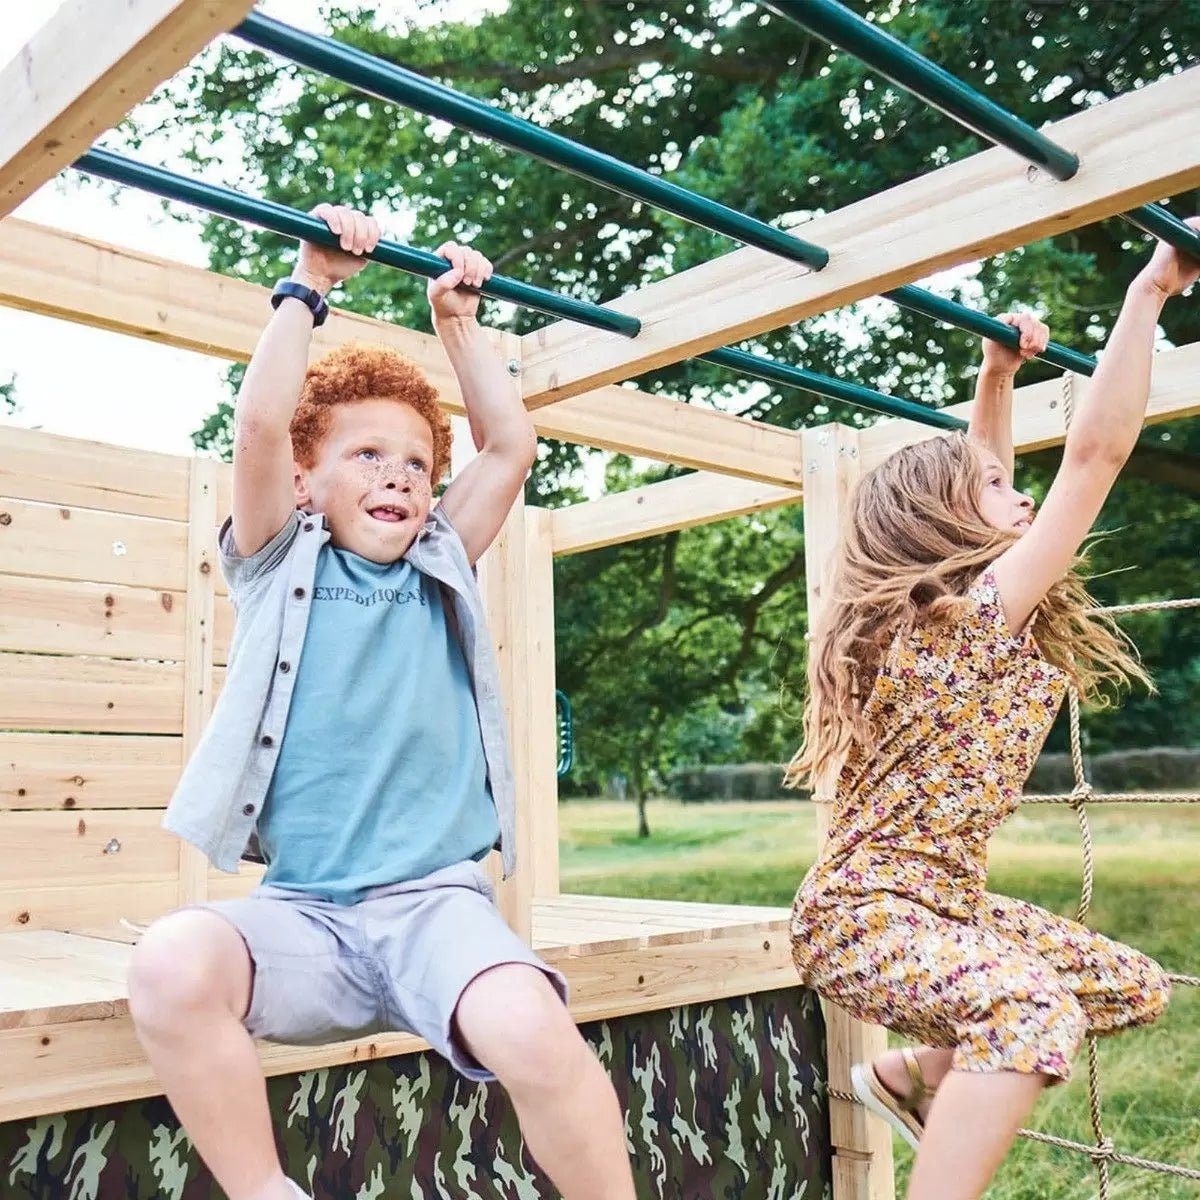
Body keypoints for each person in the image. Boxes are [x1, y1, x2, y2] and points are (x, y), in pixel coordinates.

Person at [127, 204, 636, 1200]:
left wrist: (458, 325)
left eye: (414, 464)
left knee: (535, 1027)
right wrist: (309, 282)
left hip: (434, 908)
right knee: (171, 963)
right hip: (304, 917)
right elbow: (262, 421)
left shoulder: (443, 558)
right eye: (367, 456)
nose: (398, 477)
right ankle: (265, 1189)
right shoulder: (279, 558)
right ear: (307, 481)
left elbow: (509, 449)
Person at [786, 220, 1199, 1200]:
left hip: (943, 904)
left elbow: (978, 478)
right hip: (866, 915)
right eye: (999, 490)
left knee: (1126, 986)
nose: (1019, 497)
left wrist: (996, 379)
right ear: (946, 526)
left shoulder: (963, 618)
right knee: (1029, 1013)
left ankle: (905, 1075)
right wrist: (1148, 295)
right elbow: (1096, 457)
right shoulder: (957, 625)